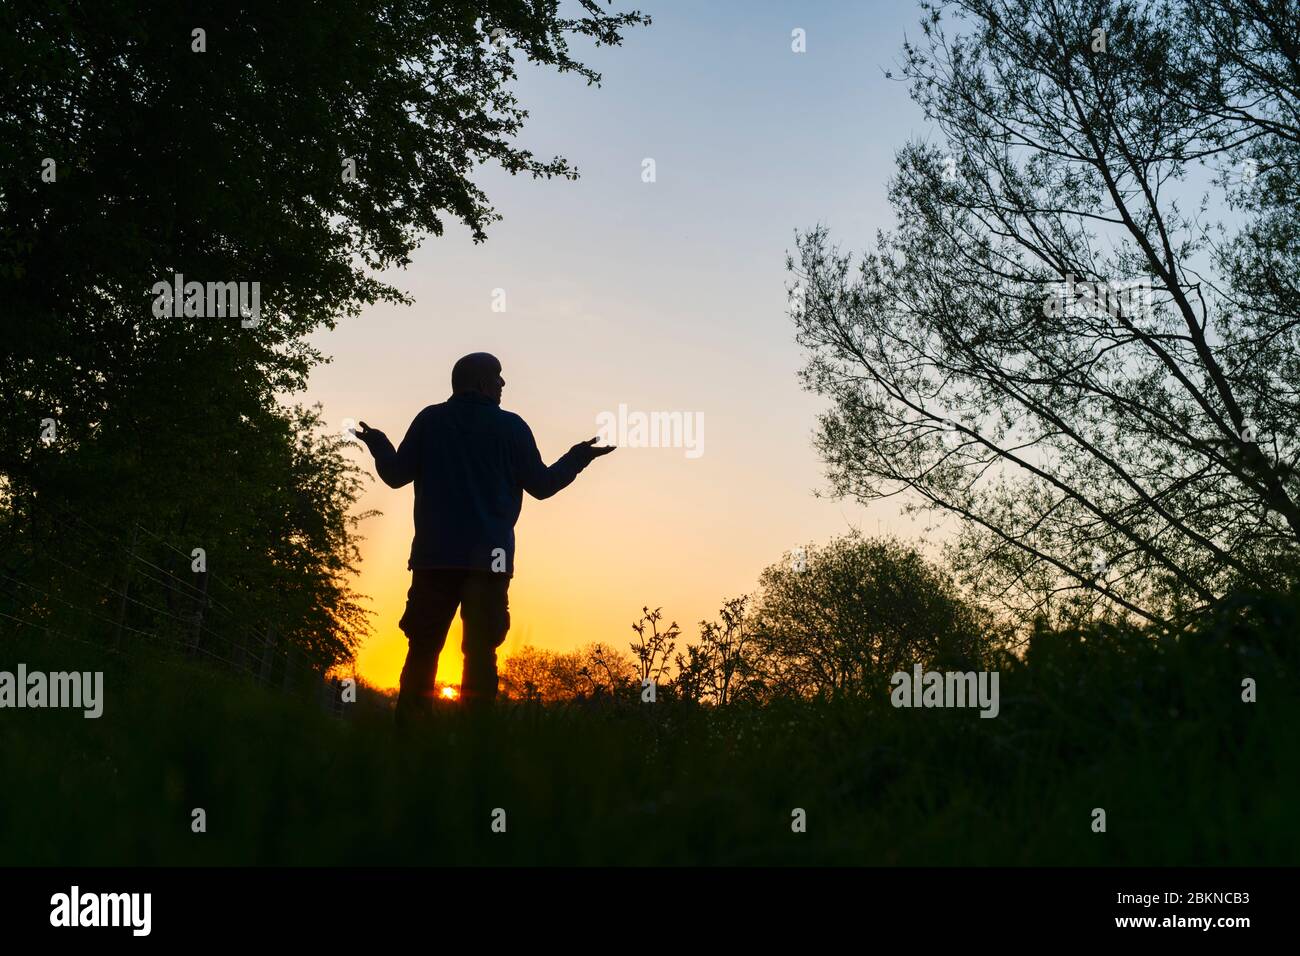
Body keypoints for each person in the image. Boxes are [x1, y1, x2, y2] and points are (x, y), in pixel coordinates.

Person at [354, 352, 614, 727]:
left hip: (433, 558)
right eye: (498, 377)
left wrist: (378, 444)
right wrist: (578, 458)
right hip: (490, 561)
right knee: (480, 656)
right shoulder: (512, 428)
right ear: (479, 383)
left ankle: (409, 750)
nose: (503, 384)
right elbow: (541, 486)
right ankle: (476, 750)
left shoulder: (430, 420)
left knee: (422, 651)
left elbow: (396, 476)